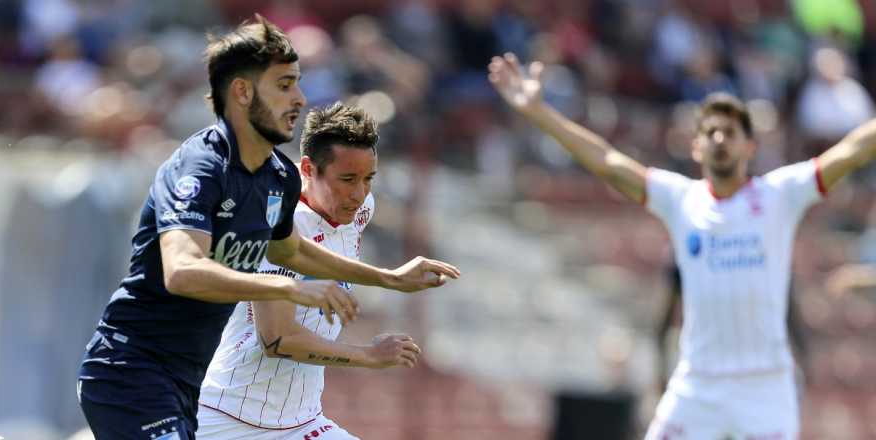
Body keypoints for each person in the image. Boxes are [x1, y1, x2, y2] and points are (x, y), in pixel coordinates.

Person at [76, 16, 460, 440]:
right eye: (284, 85)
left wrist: (388, 278)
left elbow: (290, 252)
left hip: (194, 383)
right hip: (133, 371)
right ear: (242, 92)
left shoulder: (276, 177)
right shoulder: (201, 167)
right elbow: (182, 271)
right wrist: (289, 290)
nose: (299, 98)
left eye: (297, 83)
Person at [488, 52, 876, 439]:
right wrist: (539, 113)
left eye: (731, 133)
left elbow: (852, 150)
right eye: (711, 132)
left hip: (765, 385)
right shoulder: (680, 199)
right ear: (696, 147)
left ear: (750, 147)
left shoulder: (780, 195)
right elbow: (606, 160)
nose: (720, 139)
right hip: (699, 382)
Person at [195, 102, 413, 439]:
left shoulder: (360, 210)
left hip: (302, 421)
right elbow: (277, 339)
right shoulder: (276, 224)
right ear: (309, 169)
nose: (358, 194)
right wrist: (369, 356)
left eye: (368, 179)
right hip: (230, 419)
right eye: (347, 179)